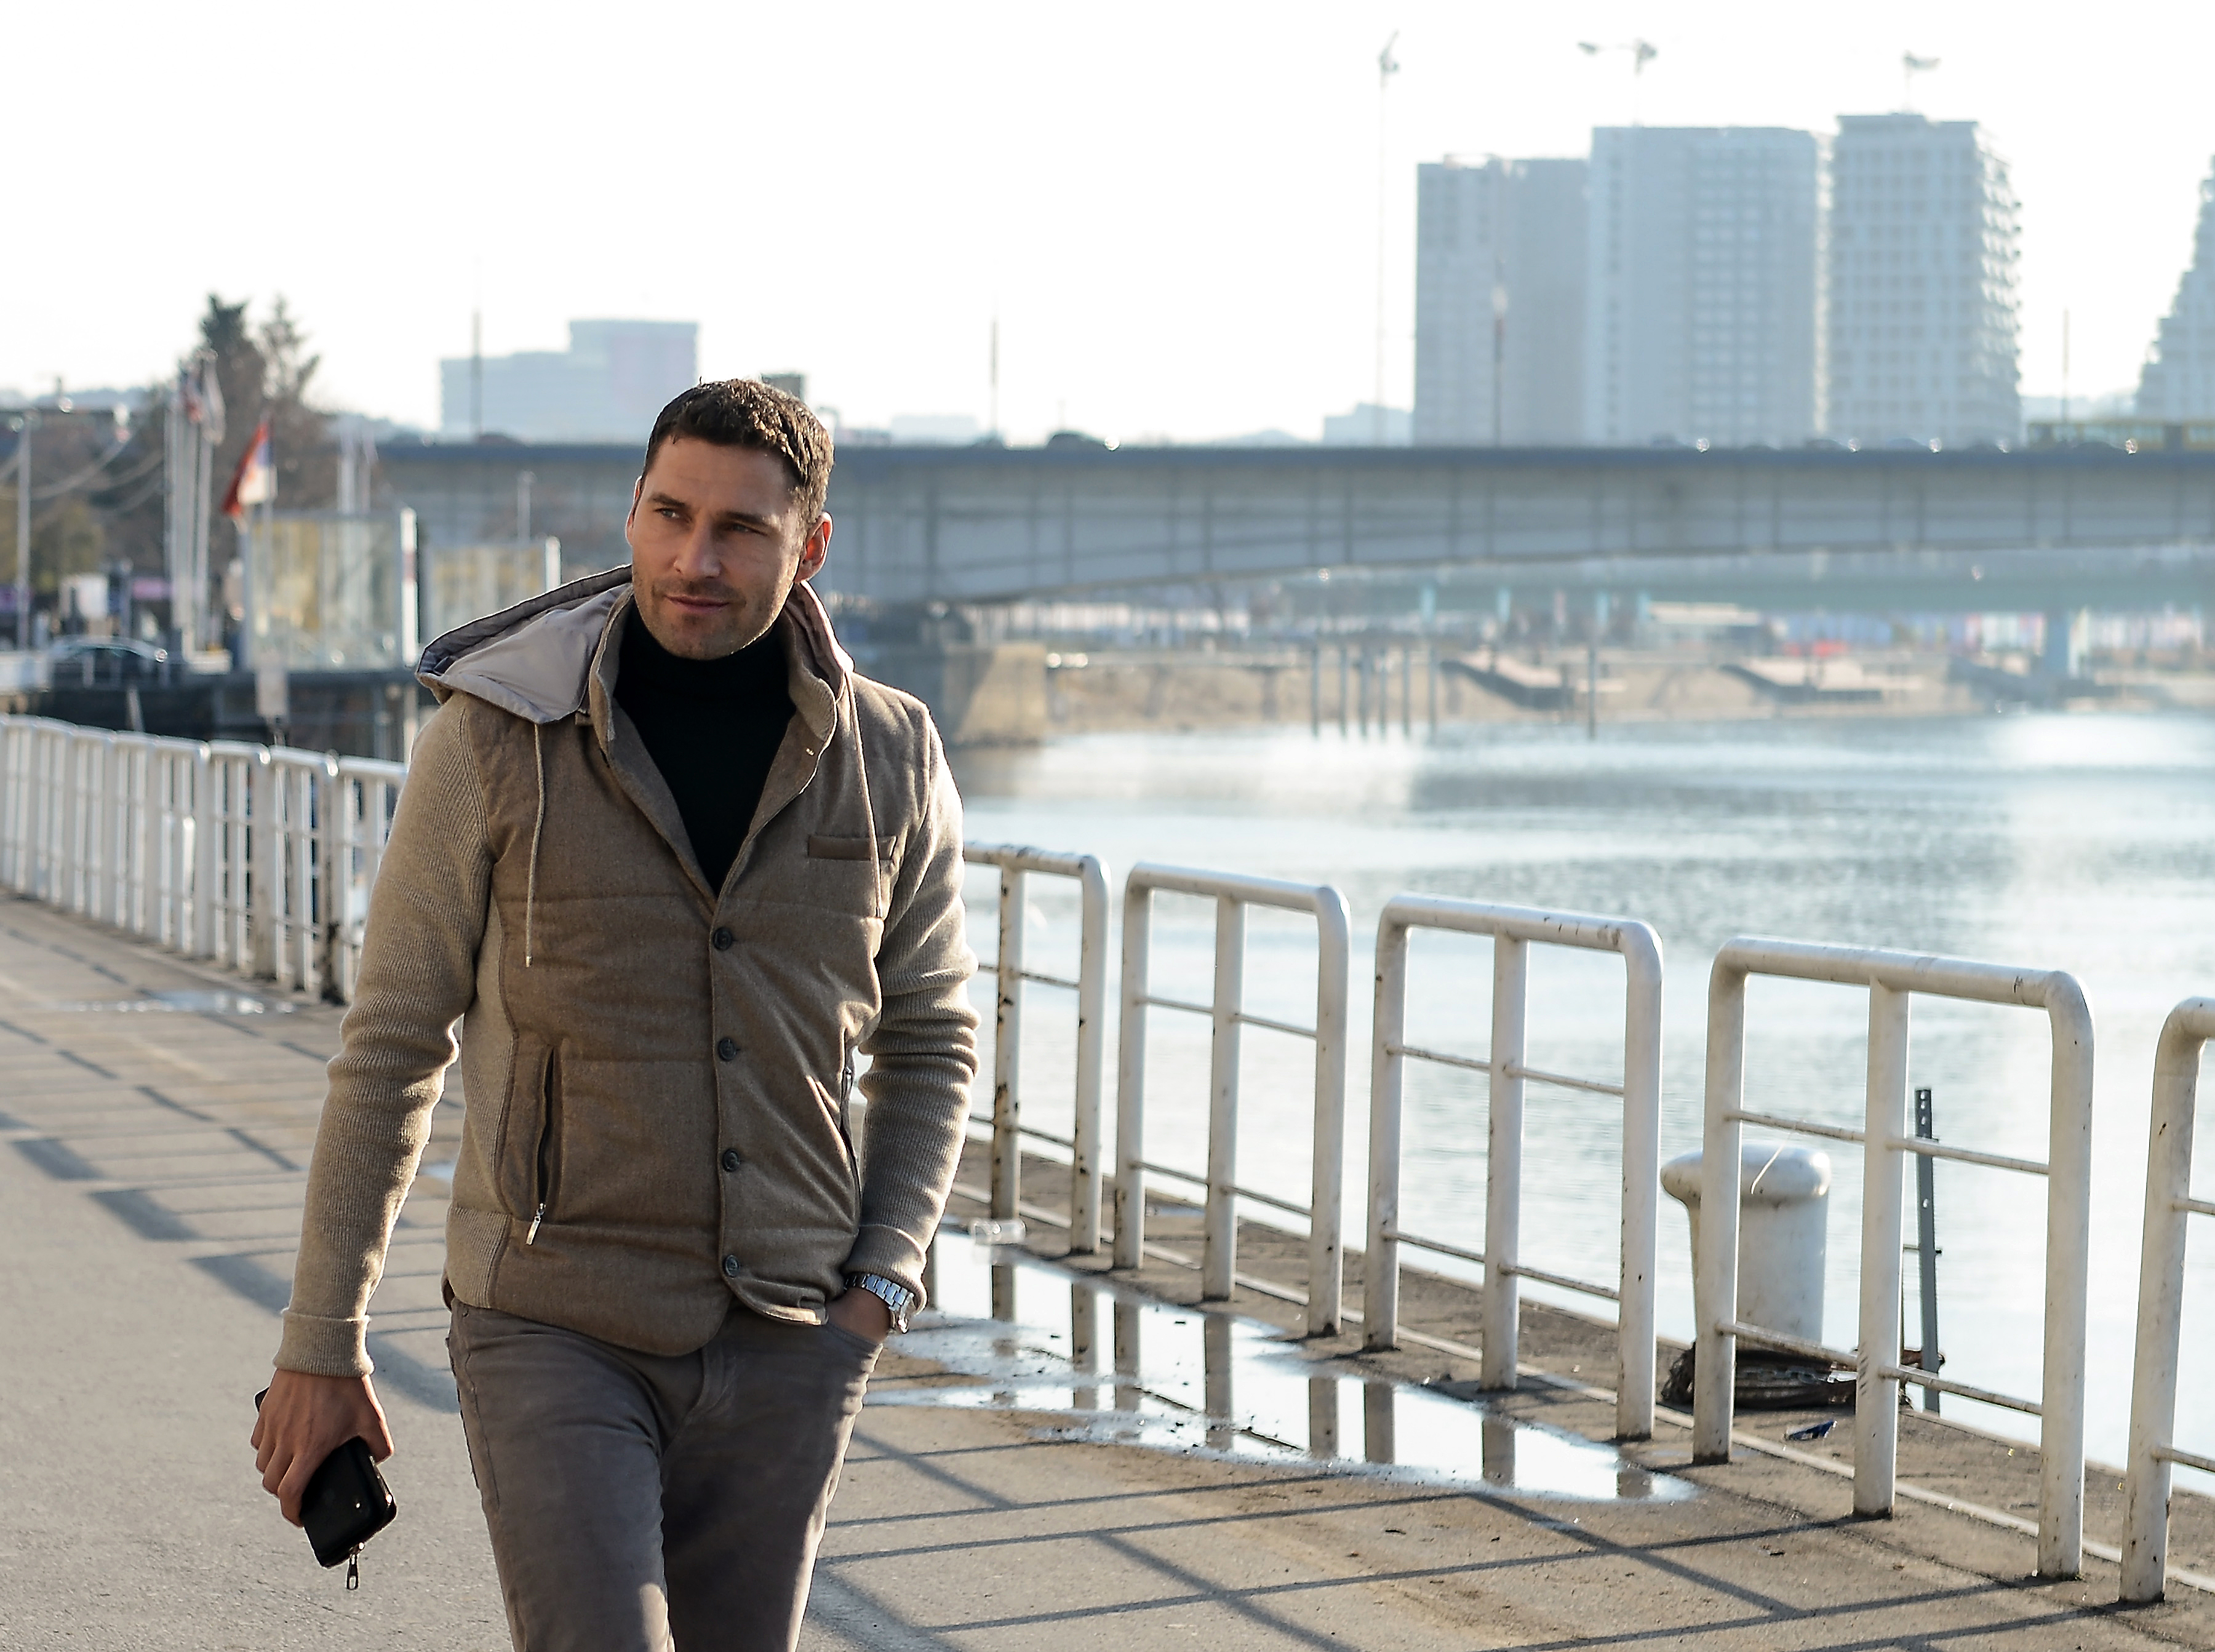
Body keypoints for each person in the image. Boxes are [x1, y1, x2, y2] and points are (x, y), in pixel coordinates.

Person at [250, 378, 978, 1651]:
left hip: (793, 1335)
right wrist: (323, 1339)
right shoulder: (493, 739)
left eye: (741, 528)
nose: (697, 558)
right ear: (632, 512)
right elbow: (393, 1047)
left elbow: (932, 1036)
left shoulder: (893, 755)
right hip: (553, 1320)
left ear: (810, 545)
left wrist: (880, 1282)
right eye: (671, 514)